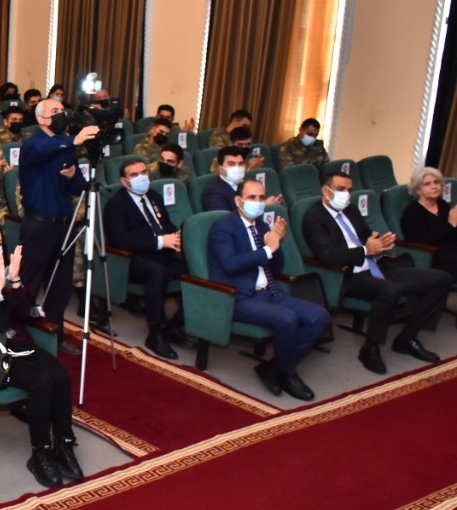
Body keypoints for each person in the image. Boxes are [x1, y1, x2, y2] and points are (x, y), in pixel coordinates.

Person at [0, 224, 83, 486]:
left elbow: (23, 313)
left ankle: (64, 444)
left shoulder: (5, 272)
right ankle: (40, 452)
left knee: (61, 377)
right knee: (41, 381)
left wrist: (16, 280)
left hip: (18, 342)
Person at [302, 172, 453, 375]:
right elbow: (328, 255)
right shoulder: (314, 217)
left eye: (349, 190)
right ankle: (370, 348)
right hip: (349, 275)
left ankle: (408, 337)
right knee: (391, 290)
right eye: (340, 189)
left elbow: (368, 236)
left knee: (441, 279)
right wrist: (366, 250)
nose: (346, 194)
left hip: (377, 266)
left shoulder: (351, 210)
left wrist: (381, 243)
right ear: (325, 190)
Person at [207, 180, 330, 400]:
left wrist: (277, 244)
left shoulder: (262, 226)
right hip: (238, 296)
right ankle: (288, 373)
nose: (258, 202)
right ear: (238, 201)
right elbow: (230, 264)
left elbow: (276, 268)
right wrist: (267, 249)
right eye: (252, 197)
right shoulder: (223, 227)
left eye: (262, 198)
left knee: (319, 316)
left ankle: (273, 367)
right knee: (287, 319)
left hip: (269, 292)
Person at [16, 99, 101, 348]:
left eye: (62, 110)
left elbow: (78, 187)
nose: (61, 114)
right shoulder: (33, 144)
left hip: (64, 225)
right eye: (55, 111)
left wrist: (73, 176)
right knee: (28, 284)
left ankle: (55, 336)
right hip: (39, 225)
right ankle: (18, 336)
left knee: (60, 287)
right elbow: (45, 148)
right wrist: (73, 140)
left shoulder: (65, 146)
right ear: (41, 119)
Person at [104, 158, 194, 360]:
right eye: (134, 175)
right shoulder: (116, 205)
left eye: (144, 172)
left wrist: (177, 236)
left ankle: (174, 326)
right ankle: (155, 333)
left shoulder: (153, 196)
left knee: (196, 270)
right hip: (132, 260)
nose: (141, 177)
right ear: (125, 181)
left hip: (162, 254)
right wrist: (160, 242)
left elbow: (165, 224)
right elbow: (120, 240)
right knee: (157, 271)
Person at [400, 167, 457, 339]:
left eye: (437, 182)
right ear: (418, 190)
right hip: (431, 256)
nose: (434, 186)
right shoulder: (413, 212)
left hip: (452, 251)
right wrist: (451, 223)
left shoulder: (443, 205)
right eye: (427, 184)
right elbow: (426, 241)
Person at [202, 146, 279, 213]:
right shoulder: (214, 193)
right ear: (220, 169)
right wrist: (262, 206)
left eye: (240, 164)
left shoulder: (249, 183)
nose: (237, 168)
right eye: (231, 164)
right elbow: (224, 220)